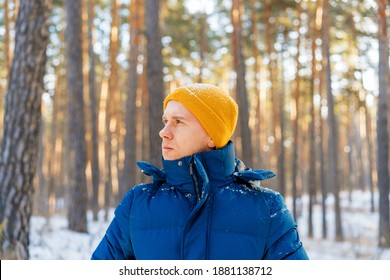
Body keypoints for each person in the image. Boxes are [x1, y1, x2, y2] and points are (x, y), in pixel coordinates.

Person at [91, 83, 309, 260]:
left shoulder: (265, 207)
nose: (164, 132)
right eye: (166, 121)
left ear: (212, 136)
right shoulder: (138, 203)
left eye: (178, 122)